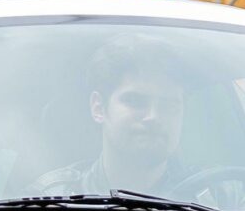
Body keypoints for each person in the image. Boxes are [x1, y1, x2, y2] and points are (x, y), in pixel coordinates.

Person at [35, 36, 189, 196]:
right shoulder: (46, 201)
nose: (153, 116)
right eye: (135, 101)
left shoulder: (214, 202)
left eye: (169, 105)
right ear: (99, 108)